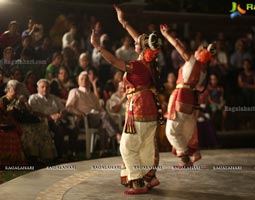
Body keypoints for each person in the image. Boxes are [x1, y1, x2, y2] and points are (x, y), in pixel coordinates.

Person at [91, 4, 163, 194]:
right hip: (151, 109)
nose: (134, 42)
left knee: (127, 146)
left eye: (137, 42)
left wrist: (98, 46)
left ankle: (138, 183)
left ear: (142, 48)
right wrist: (123, 22)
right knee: (146, 146)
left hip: (138, 107)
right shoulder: (150, 63)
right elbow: (139, 39)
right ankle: (150, 177)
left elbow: (114, 61)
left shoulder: (138, 65)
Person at [160, 23, 215, 167]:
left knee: (171, 131)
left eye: (199, 50)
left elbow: (179, 47)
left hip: (182, 97)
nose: (196, 50)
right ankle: (194, 152)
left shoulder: (193, 62)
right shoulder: (204, 71)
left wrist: (166, 35)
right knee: (187, 130)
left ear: (200, 55)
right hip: (192, 101)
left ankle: (185, 160)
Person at [65, 71, 121, 156]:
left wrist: (105, 113)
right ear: (78, 81)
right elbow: (68, 107)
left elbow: (99, 108)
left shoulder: (92, 95)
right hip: (83, 118)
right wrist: (79, 113)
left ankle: (103, 150)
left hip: (96, 117)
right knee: (103, 115)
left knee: (103, 123)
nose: (84, 81)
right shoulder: (75, 91)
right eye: (82, 79)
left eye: (86, 79)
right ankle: (117, 134)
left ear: (89, 82)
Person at [0, 80, 56, 164]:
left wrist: (25, 102)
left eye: (18, 89)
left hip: (23, 120)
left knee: (41, 126)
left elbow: (30, 111)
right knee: (29, 130)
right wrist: (13, 110)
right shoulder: (2, 100)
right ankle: (31, 154)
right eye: (15, 89)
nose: (17, 91)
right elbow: (4, 115)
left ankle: (43, 154)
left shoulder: (18, 99)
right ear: (8, 89)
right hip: (12, 122)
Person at [28, 79, 78, 159]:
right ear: (37, 89)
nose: (45, 89)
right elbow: (34, 112)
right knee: (59, 130)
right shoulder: (34, 98)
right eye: (42, 87)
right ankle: (59, 154)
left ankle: (70, 152)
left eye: (47, 87)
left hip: (58, 119)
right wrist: (50, 116)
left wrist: (61, 114)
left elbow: (63, 109)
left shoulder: (54, 98)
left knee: (74, 129)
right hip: (44, 121)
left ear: (50, 89)